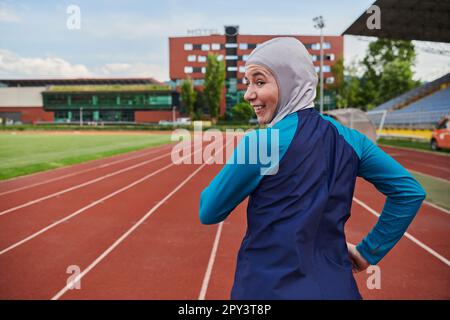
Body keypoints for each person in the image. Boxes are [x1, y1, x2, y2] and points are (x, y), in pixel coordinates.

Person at [199, 37, 426, 299]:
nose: (249, 94)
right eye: (247, 83)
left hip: (267, 290)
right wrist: (369, 251)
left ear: (290, 82)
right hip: (338, 289)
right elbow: (409, 191)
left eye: (260, 82)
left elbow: (209, 210)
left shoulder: (261, 143)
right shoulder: (352, 139)